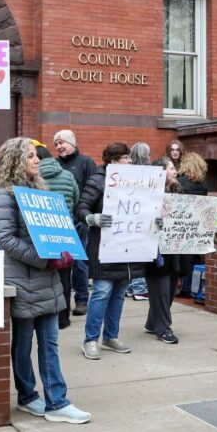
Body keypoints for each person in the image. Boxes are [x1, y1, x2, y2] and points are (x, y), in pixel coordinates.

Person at [0, 137, 91, 424]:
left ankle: (56, 401)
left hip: (46, 279)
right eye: (30, 156)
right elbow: (5, 239)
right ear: (15, 161)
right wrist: (45, 259)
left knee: (49, 342)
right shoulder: (4, 196)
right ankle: (28, 395)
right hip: (22, 279)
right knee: (23, 343)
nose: (37, 160)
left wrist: (65, 250)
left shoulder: (41, 192)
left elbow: (57, 230)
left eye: (36, 155)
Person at [76, 142, 143, 360]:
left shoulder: (134, 182)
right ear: (114, 161)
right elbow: (81, 207)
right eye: (126, 158)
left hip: (126, 247)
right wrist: (92, 218)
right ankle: (90, 340)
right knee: (102, 292)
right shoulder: (97, 180)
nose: (130, 161)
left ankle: (110, 337)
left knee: (119, 294)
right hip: (104, 247)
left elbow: (144, 208)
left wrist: (152, 221)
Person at [53, 129, 98, 318]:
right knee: (61, 264)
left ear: (72, 142)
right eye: (56, 144)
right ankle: (63, 303)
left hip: (80, 222)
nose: (59, 146)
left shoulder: (86, 162)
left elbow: (94, 190)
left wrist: (87, 216)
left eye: (62, 142)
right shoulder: (55, 164)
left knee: (80, 263)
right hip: (59, 223)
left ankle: (81, 299)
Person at [36, 142, 80, 329]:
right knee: (64, 274)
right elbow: (76, 199)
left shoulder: (32, 177)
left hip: (40, 231)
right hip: (65, 231)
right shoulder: (68, 175)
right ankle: (64, 317)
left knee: (42, 276)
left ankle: (46, 316)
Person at [144, 156, 182, 343]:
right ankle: (163, 328)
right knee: (161, 288)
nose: (175, 172)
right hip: (155, 249)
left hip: (174, 249)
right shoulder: (149, 194)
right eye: (171, 168)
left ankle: (153, 322)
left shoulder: (177, 190)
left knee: (169, 288)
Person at [177, 151, 210, 301]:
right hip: (198, 221)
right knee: (196, 256)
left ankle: (185, 287)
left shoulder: (180, 181)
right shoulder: (203, 183)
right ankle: (195, 287)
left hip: (184, 222)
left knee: (185, 257)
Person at [126, 142, 152, 301]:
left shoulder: (126, 172)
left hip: (128, 217)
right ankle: (139, 288)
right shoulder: (150, 173)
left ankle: (130, 286)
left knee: (130, 252)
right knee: (140, 254)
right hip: (143, 217)